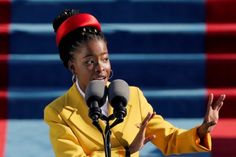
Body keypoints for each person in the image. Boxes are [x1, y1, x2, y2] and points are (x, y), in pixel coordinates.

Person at [44, 9, 226, 157]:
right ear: (72, 66)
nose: (101, 68)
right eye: (90, 62)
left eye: (105, 59)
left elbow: (170, 139)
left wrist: (202, 131)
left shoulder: (132, 97)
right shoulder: (58, 113)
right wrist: (128, 153)